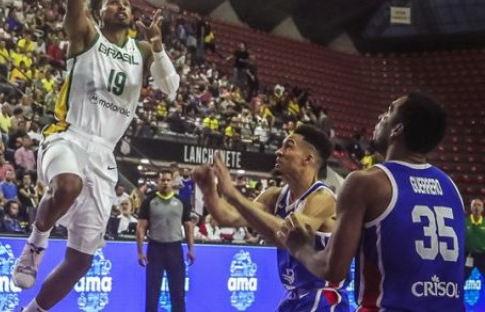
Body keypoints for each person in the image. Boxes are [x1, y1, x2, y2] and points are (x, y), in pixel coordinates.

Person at [13, 0, 180, 312]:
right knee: (66, 186)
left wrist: (158, 48)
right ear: (99, 11)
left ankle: (33, 311)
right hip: (68, 135)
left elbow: (170, 89)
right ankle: (35, 241)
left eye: (126, 3)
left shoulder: (142, 50)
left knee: (82, 259)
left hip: (105, 154)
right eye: (112, 2)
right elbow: (74, 0)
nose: (121, 6)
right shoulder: (86, 35)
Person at [279, 93, 465, 312]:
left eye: (388, 112)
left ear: (397, 130)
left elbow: (332, 269)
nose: (381, 117)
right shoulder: (451, 188)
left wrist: (300, 247)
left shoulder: (367, 182)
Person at [192, 124, 348, 311]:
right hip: (294, 296)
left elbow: (288, 234)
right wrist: (209, 193)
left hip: (323, 296)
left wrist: (233, 194)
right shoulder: (274, 196)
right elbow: (228, 217)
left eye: (288, 146)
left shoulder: (323, 197)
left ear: (308, 158)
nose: (279, 152)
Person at [136, 169, 194, 312]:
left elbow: (188, 226)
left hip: (175, 249)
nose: (166, 183)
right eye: (163, 180)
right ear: (157, 182)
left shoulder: (181, 201)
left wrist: (191, 249)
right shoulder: (149, 201)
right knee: (152, 291)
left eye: (168, 180)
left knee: (178, 292)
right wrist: (140, 251)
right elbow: (141, 227)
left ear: (173, 183)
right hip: (155, 249)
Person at [467, 198, 485, 280]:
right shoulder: (464, 221)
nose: (477, 207)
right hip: (468, 255)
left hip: (483, 256)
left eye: (479, 205)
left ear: (482, 208)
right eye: (474, 205)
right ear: (471, 208)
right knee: (462, 277)